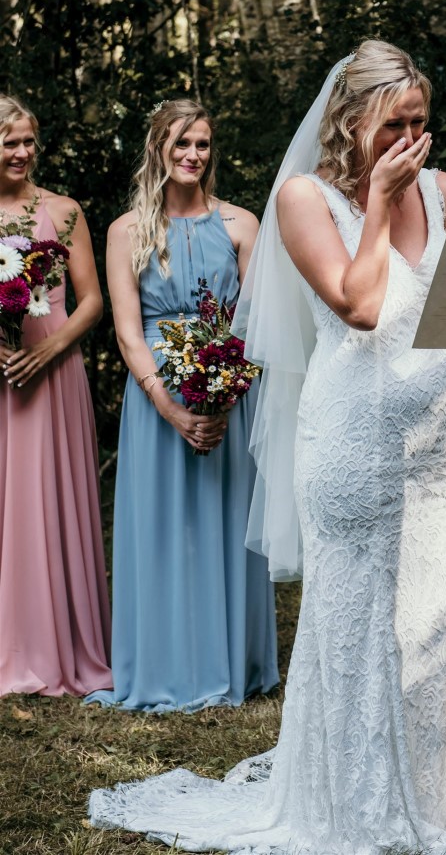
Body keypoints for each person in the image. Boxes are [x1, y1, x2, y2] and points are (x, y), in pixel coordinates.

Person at [89, 42, 446, 851]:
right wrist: (383, 200)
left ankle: (437, 791)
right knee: (354, 616)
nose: (413, 141)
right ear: (351, 121)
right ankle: (354, 803)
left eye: (423, 123)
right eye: (396, 124)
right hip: (350, 435)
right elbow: (360, 305)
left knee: (430, 607)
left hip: (437, 439)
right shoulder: (301, 200)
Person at [86, 99, 278, 712]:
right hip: (156, 398)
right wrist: (170, 408)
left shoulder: (242, 226)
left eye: (201, 144)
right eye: (180, 145)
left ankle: (233, 662)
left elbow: (258, 324)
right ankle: (167, 664)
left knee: (226, 526)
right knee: (164, 530)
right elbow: (127, 332)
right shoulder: (125, 232)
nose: (192, 155)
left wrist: (226, 394)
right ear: (158, 151)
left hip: (228, 392)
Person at [0, 95, 112, 697]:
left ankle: (60, 643)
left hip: (53, 368)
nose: (21, 153)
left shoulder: (64, 212)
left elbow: (92, 298)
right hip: (3, 376)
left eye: (28, 142)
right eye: (9, 142)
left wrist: (49, 350)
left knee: (48, 496)